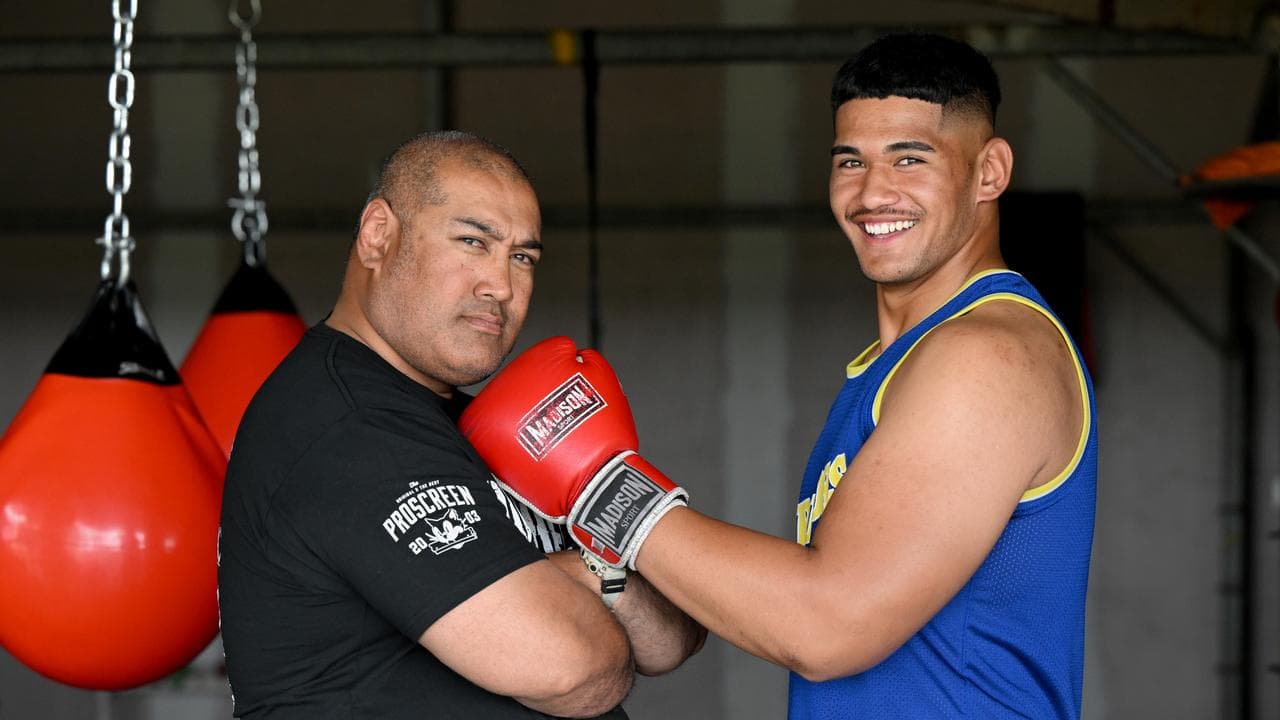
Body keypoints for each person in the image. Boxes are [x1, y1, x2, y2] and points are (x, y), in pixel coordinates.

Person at [459, 33, 1097, 719]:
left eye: (910, 159)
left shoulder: (987, 356)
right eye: (850, 161)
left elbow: (828, 622)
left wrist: (604, 488)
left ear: (990, 171)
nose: (872, 192)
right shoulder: (896, 369)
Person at [216, 130, 704, 719]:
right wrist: (600, 570)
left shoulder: (480, 426)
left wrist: (586, 570)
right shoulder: (346, 424)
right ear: (378, 236)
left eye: (522, 256)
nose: (501, 285)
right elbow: (578, 669)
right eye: (473, 241)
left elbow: (674, 635)